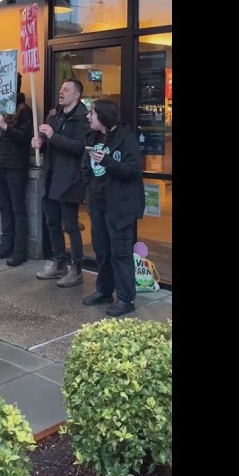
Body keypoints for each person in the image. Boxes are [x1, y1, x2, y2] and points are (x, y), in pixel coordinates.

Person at [80, 100, 145, 317]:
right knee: (102, 251)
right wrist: (87, 191)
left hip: (120, 207)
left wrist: (108, 162)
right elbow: (85, 167)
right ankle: (103, 290)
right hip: (98, 204)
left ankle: (125, 298)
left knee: (120, 253)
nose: (89, 116)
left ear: (104, 117)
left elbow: (134, 170)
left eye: (93, 113)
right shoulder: (93, 137)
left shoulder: (127, 138)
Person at [32, 78, 89, 287]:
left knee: (70, 226)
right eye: (60, 89)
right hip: (50, 177)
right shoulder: (53, 116)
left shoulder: (84, 119)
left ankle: (77, 269)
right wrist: (41, 143)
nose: (61, 92)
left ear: (77, 95)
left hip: (70, 180)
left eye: (66, 90)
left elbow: (79, 147)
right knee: (52, 223)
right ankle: (59, 263)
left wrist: (53, 137)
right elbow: (50, 145)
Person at [0, 85, 33, 267]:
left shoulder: (24, 110)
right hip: (1, 163)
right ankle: (6, 244)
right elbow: (1, 139)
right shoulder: (1, 109)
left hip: (16, 165)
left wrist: (5, 127)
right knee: (4, 206)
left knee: (17, 208)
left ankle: (20, 250)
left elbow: (24, 138)